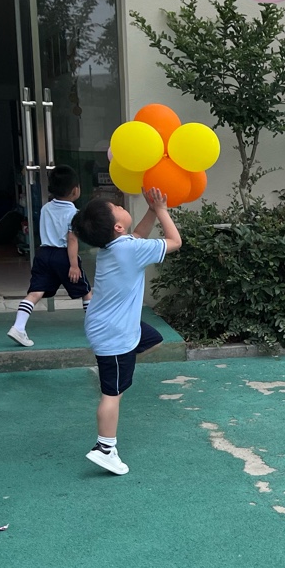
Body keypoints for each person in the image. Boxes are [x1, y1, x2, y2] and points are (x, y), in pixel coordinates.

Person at [71, 188, 182, 475]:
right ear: (118, 227)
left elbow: (139, 236)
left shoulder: (116, 246)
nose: (121, 206)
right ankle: (105, 448)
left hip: (113, 326)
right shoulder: (129, 250)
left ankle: (114, 366)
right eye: (117, 207)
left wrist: (150, 210)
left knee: (153, 339)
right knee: (112, 393)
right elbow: (175, 241)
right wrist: (162, 211)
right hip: (115, 333)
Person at [8, 166, 91, 347]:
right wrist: (74, 265)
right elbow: (72, 240)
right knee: (86, 292)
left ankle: (18, 327)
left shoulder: (46, 208)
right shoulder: (74, 214)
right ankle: (95, 326)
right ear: (75, 190)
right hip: (64, 256)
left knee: (35, 292)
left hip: (44, 254)